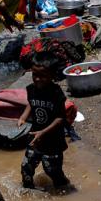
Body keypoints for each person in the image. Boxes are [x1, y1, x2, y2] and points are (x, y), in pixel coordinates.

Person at [18, 50, 71, 190]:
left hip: (53, 141)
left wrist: (43, 132)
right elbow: (31, 103)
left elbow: (61, 118)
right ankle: (28, 191)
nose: (37, 79)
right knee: (26, 167)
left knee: (52, 171)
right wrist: (24, 116)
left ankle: (64, 190)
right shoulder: (31, 89)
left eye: (43, 76)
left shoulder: (56, 93)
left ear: (52, 76)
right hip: (35, 138)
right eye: (35, 75)